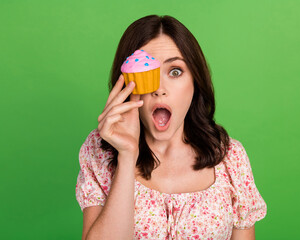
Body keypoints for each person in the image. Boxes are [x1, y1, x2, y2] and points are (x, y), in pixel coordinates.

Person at [75, 15, 267, 240]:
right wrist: (127, 156)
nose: (159, 89)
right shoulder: (100, 152)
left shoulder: (230, 157)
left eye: (175, 71)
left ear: (195, 82)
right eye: (147, 74)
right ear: (126, 84)